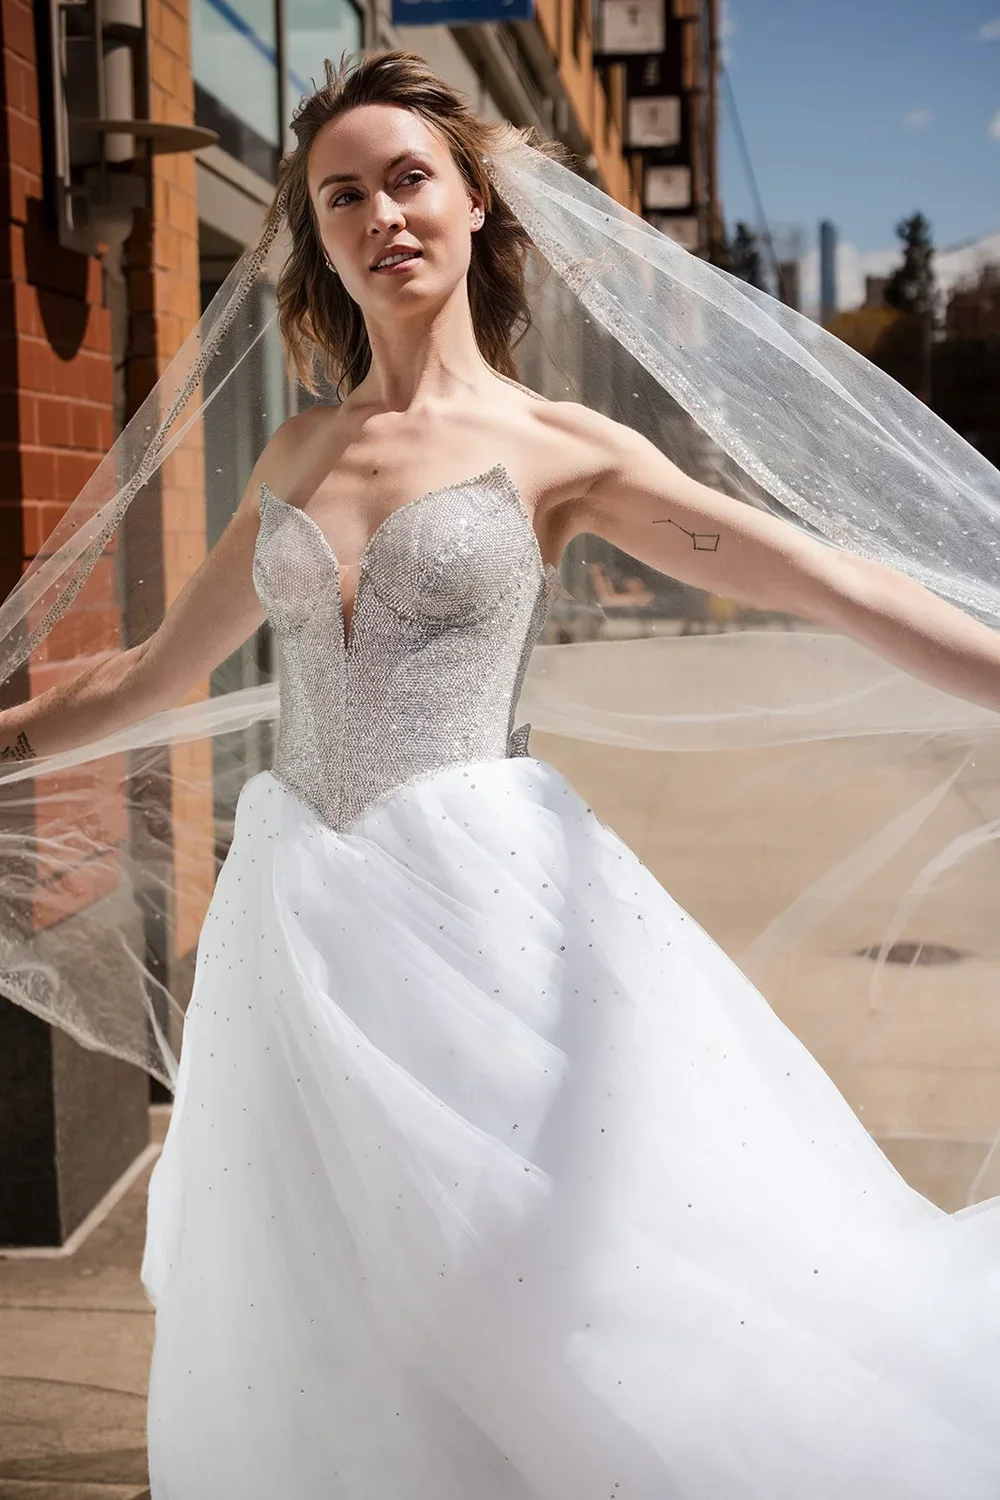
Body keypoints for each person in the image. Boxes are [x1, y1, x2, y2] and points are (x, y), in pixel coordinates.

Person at [2, 49, 1000, 1499]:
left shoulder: (560, 448)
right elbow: (151, 676)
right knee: (329, 1288)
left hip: (487, 914)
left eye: (409, 179)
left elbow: (834, 585)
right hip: (296, 930)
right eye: (342, 195)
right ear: (320, 234)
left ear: (475, 201)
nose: (379, 215)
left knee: (539, 1287)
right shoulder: (294, 448)